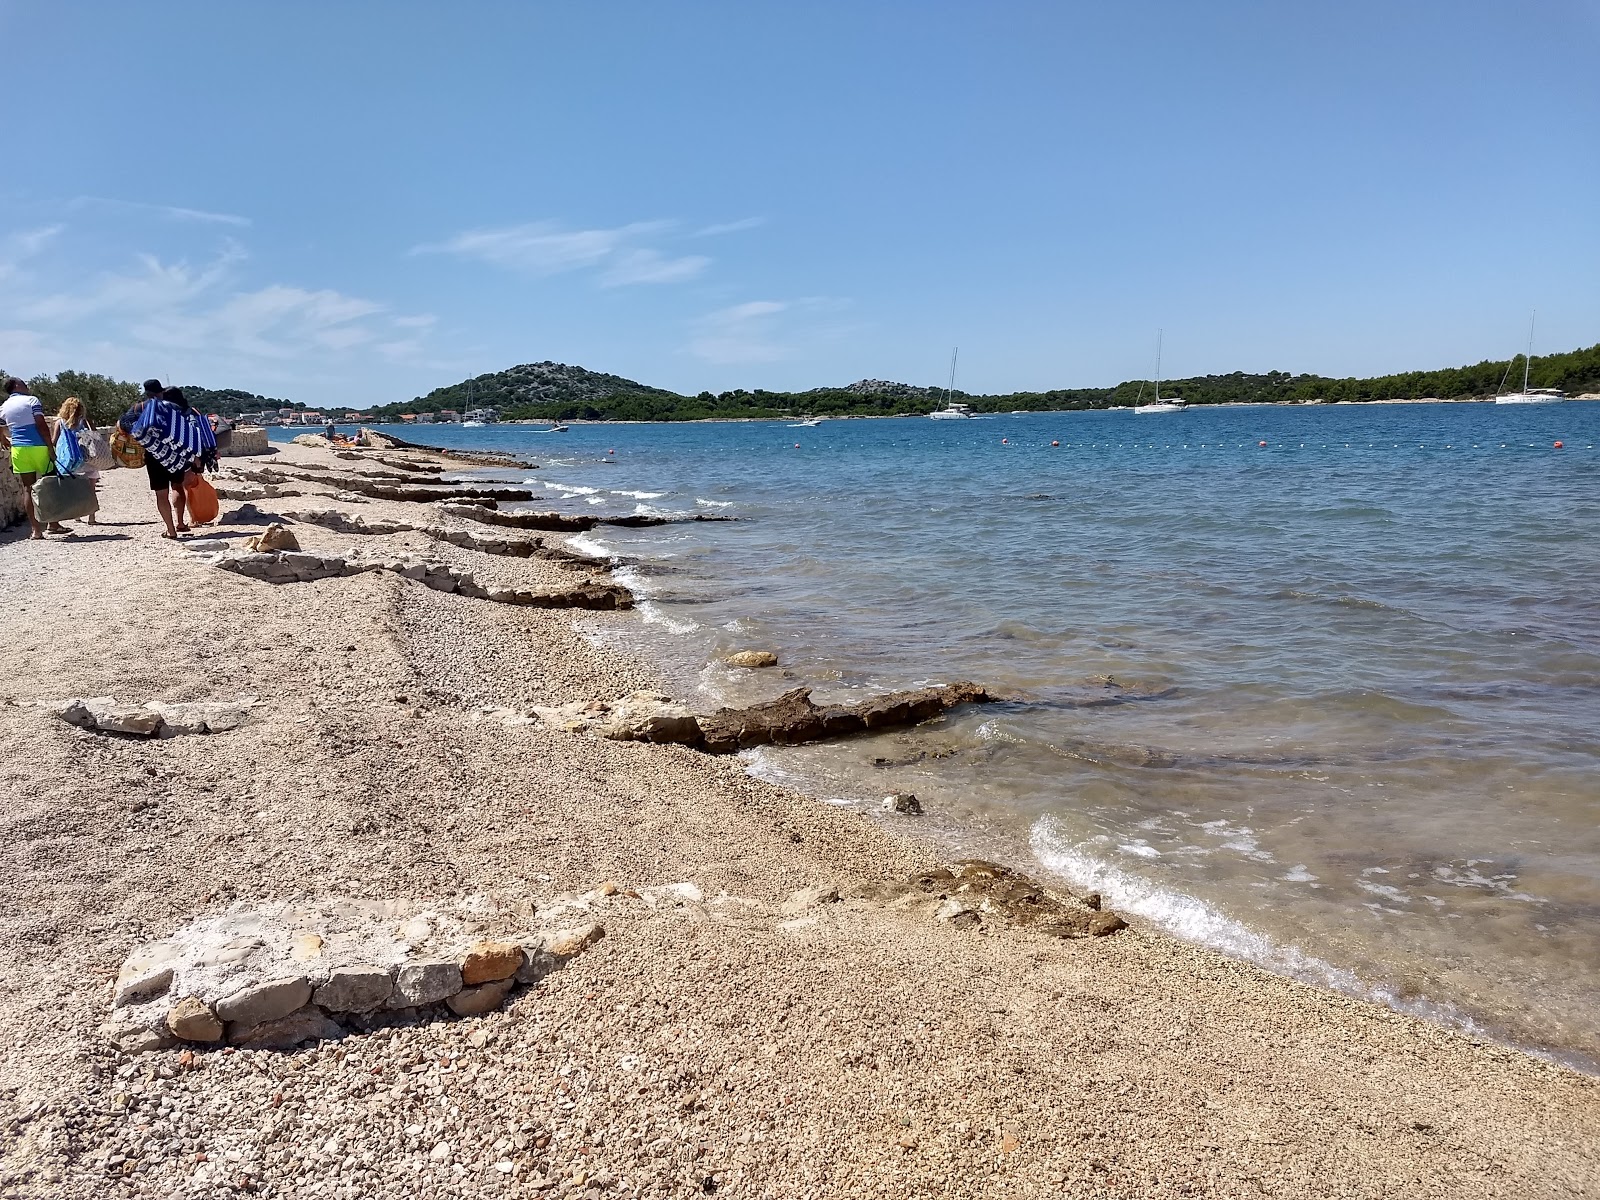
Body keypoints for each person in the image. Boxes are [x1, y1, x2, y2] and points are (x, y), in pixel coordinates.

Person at [120, 382, 217, 538]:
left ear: (147, 393)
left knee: (161, 494)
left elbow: (124, 424)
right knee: (177, 487)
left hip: (153, 455)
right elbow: (188, 430)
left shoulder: (138, 408)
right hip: (175, 455)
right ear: (161, 391)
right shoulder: (174, 408)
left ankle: (170, 530)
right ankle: (180, 523)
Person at [0, 377, 57, 539]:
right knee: (49, 485)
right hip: (38, 446)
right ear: (17, 386)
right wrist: (50, 447)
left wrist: (3, 439)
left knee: (28, 489)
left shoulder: (4, 406)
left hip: (18, 449)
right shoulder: (31, 400)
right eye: (24, 383)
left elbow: (0, 425)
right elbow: (41, 424)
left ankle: (36, 530)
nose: (27, 386)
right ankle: (53, 524)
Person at [53, 396, 99, 527]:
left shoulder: (60, 422)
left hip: (72, 461)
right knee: (91, 488)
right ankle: (91, 516)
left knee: (76, 488)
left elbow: (54, 441)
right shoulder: (84, 421)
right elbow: (95, 436)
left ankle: (78, 515)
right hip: (87, 458)